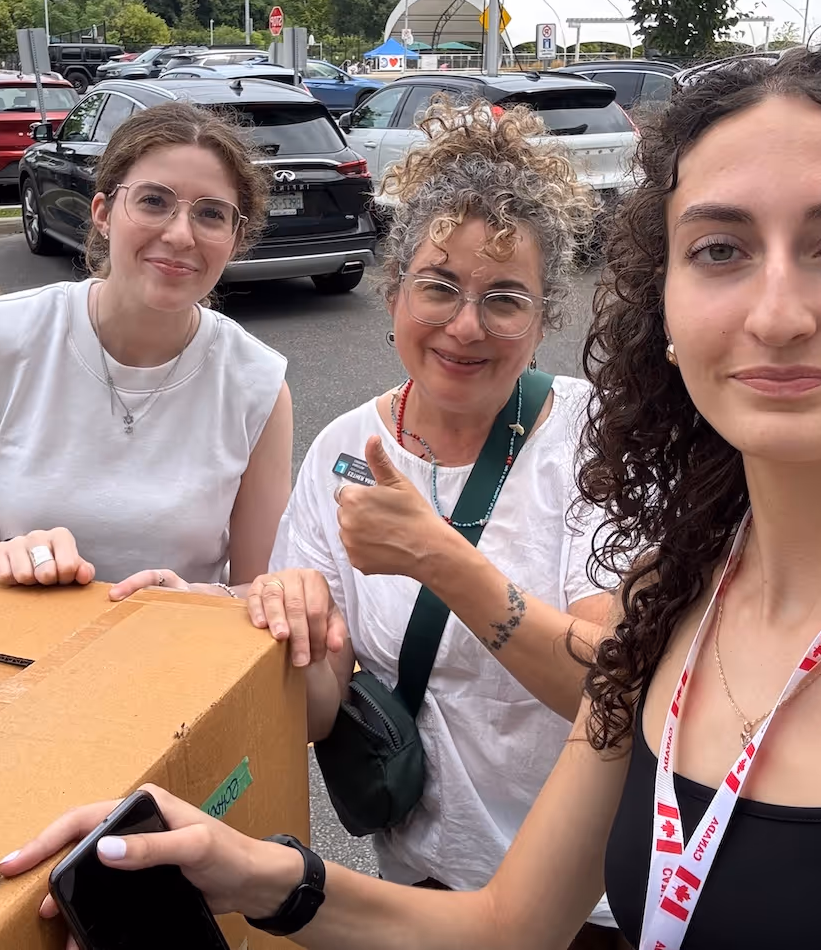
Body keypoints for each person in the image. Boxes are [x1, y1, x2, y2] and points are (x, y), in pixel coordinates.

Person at [0, 44, 821, 947]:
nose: (774, 311)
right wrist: (246, 869)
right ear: (665, 308)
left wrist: (436, 557)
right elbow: (507, 930)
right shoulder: (676, 604)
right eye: (718, 250)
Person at [245, 101, 611, 906]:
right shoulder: (342, 448)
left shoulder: (594, 437)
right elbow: (315, 714)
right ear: (394, 294)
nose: (465, 326)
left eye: (505, 299)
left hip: (585, 899)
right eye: (438, 287)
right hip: (424, 881)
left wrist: (437, 557)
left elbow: (610, 690)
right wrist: (289, 625)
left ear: (544, 318)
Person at [0, 101, 292, 600]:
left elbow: (260, 588)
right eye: (153, 201)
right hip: (18, 641)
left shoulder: (258, 383)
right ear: (102, 213)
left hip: (174, 646)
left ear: (235, 238)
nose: (180, 234)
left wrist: (194, 600)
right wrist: (3, 559)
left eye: (211, 214)